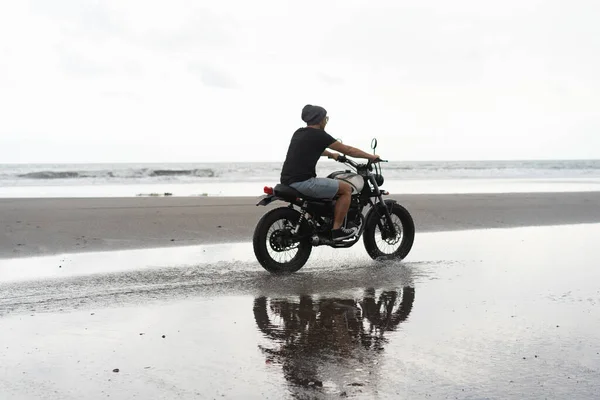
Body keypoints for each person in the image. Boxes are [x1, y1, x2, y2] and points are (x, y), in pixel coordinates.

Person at [280, 104, 380, 241]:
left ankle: (314, 221)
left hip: (287, 180)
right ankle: (337, 230)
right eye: (325, 118)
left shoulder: (299, 133)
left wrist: (331, 154)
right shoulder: (320, 135)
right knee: (346, 189)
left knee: (328, 184)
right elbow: (349, 150)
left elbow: (312, 148)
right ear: (320, 119)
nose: (326, 121)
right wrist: (371, 156)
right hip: (304, 182)